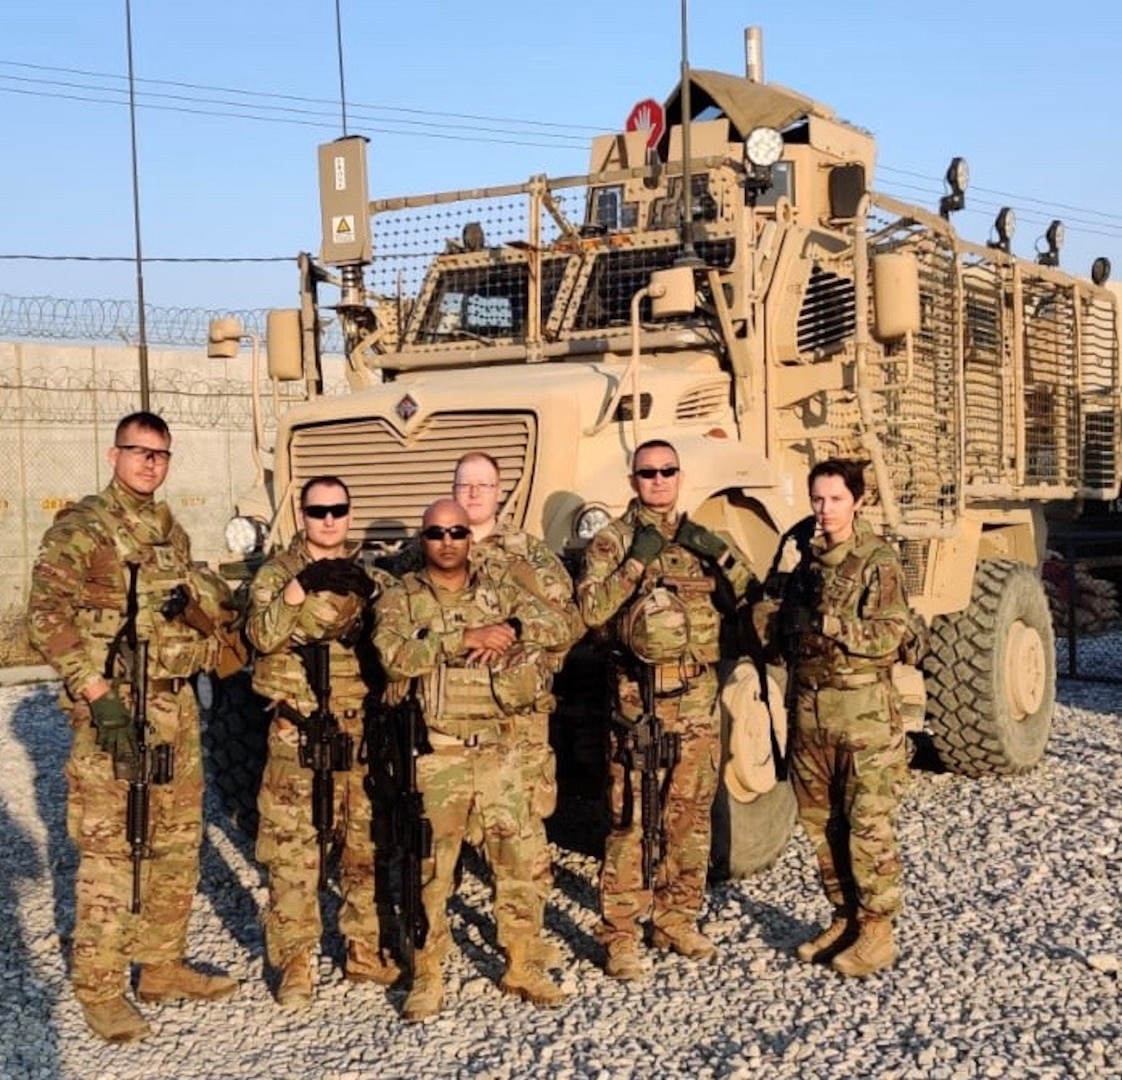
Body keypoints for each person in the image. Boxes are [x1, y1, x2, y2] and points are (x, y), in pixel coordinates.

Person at [27, 411, 239, 1043]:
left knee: (175, 841)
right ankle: (99, 987)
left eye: (160, 454)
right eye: (138, 451)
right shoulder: (83, 528)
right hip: (115, 710)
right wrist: (94, 690)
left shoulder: (166, 527)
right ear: (113, 453)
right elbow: (44, 615)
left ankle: (161, 966)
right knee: (113, 849)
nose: (150, 463)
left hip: (174, 703)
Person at [373, 498, 571, 1022]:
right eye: (436, 532)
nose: (447, 541)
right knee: (431, 872)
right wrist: (463, 639)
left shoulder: (500, 588)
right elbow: (391, 656)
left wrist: (515, 630)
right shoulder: (404, 597)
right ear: (424, 538)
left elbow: (561, 627)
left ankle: (523, 963)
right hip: (439, 755)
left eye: (457, 531)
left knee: (517, 865)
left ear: (468, 536)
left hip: (500, 751)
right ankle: (428, 974)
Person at [577, 439, 755, 980]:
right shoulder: (613, 542)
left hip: (697, 696)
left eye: (667, 471)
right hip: (639, 698)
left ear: (680, 476)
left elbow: (748, 596)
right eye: (647, 473)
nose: (658, 480)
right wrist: (635, 563)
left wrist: (721, 556)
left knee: (690, 814)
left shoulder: (703, 541)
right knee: (631, 816)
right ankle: (622, 934)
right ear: (633, 481)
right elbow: (590, 610)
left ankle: (677, 918)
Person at [246, 475, 398, 1007]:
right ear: (302, 516)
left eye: (337, 510)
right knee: (294, 851)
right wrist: (297, 591)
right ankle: (294, 962)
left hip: (357, 729)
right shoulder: (275, 575)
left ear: (348, 515)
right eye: (317, 511)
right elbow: (262, 635)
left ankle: (365, 949)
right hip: (299, 731)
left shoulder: (371, 576)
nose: (328, 520)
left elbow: (395, 638)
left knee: (365, 847)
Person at [772, 458, 916, 977]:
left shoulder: (878, 560)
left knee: (867, 823)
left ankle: (878, 930)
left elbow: (890, 637)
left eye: (835, 499)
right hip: (810, 710)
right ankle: (845, 915)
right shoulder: (808, 561)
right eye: (817, 499)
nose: (825, 509)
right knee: (819, 822)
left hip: (863, 715)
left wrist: (828, 622)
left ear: (856, 500)